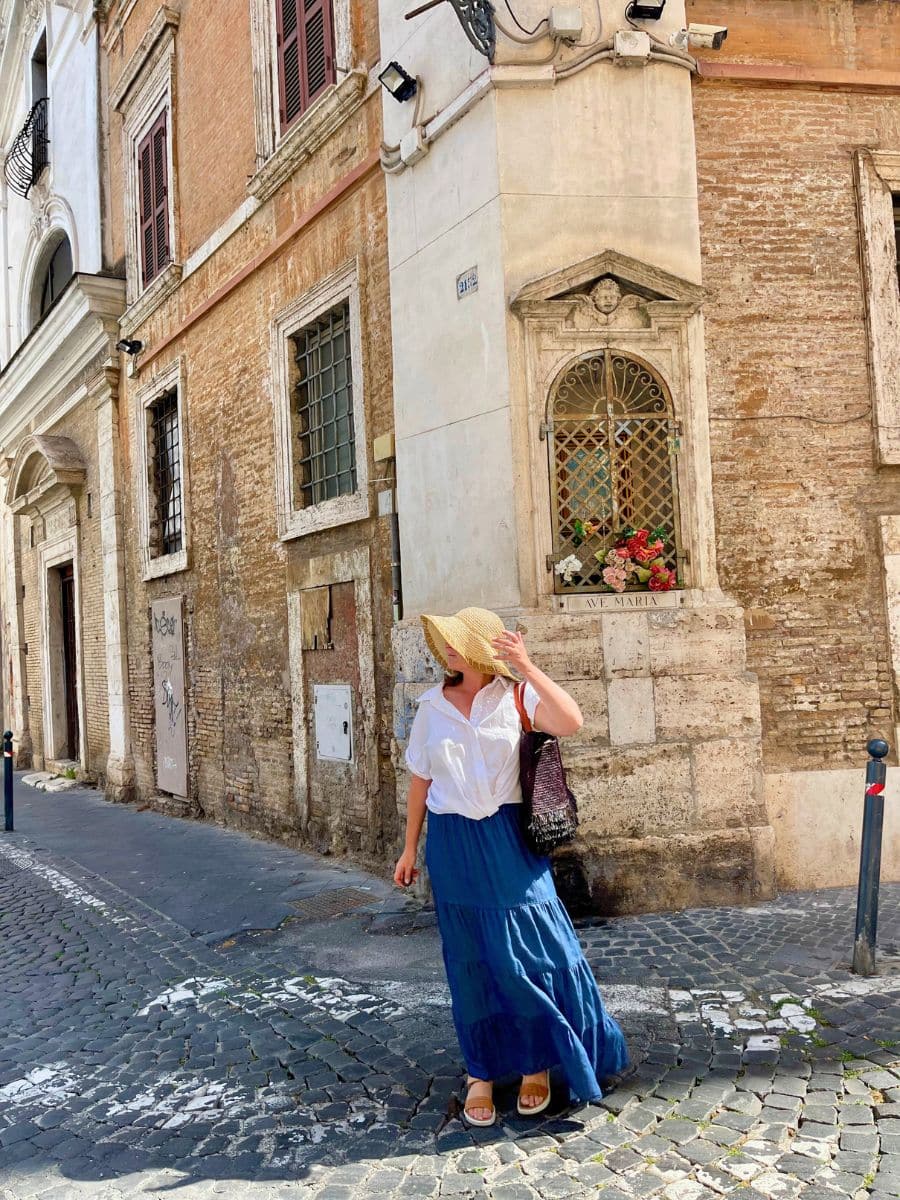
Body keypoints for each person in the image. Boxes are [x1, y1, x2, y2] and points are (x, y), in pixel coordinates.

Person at [394, 607, 630, 1126]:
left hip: (508, 840)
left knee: (536, 953)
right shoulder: (430, 707)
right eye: (447, 643)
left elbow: (571, 719)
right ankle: (481, 1070)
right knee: (471, 959)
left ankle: (537, 1062)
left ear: (480, 652)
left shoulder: (516, 699)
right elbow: (420, 782)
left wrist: (526, 666)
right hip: (454, 844)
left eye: (458, 643)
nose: (446, 651)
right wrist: (409, 849)